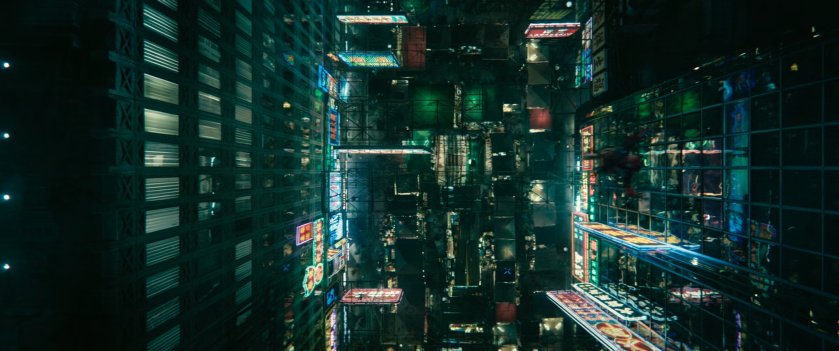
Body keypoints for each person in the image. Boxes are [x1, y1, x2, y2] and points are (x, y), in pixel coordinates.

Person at [584, 129, 646, 197]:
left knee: (608, 158)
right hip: (608, 161)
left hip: (609, 164)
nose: (633, 159)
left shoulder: (627, 170)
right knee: (608, 156)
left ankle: (597, 160)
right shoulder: (624, 152)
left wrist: (634, 194)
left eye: (634, 161)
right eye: (635, 159)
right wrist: (640, 133)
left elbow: (627, 187)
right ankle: (597, 159)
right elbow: (632, 139)